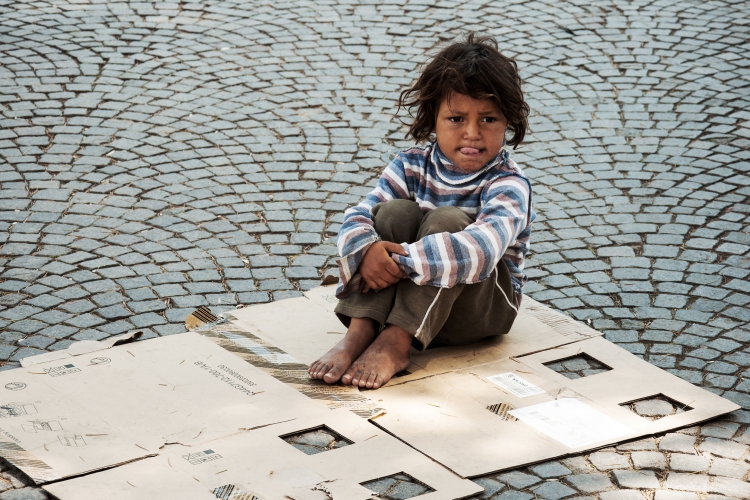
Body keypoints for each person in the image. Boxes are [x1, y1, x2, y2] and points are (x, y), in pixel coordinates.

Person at [308, 33, 534, 390]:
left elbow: (481, 250)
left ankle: (396, 343)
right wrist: (367, 251)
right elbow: (359, 215)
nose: (472, 133)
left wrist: (397, 261)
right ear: (433, 119)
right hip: (408, 299)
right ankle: (360, 331)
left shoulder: (508, 182)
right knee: (392, 213)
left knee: (448, 221)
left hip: (479, 311)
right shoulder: (411, 165)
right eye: (457, 118)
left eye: (488, 119)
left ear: (508, 122)